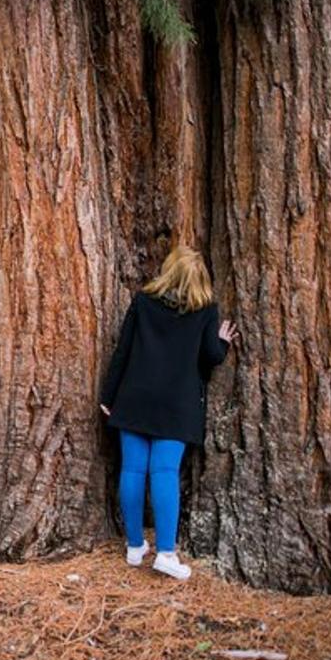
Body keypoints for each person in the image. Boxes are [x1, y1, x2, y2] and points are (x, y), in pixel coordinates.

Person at [99, 246, 239, 580]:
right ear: (199, 278)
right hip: (176, 406)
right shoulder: (205, 310)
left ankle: (135, 547)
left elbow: (123, 350)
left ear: (168, 271)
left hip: (134, 398)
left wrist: (109, 395)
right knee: (163, 472)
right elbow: (210, 356)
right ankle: (165, 552)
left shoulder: (143, 303)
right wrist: (223, 343)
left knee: (132, 469)